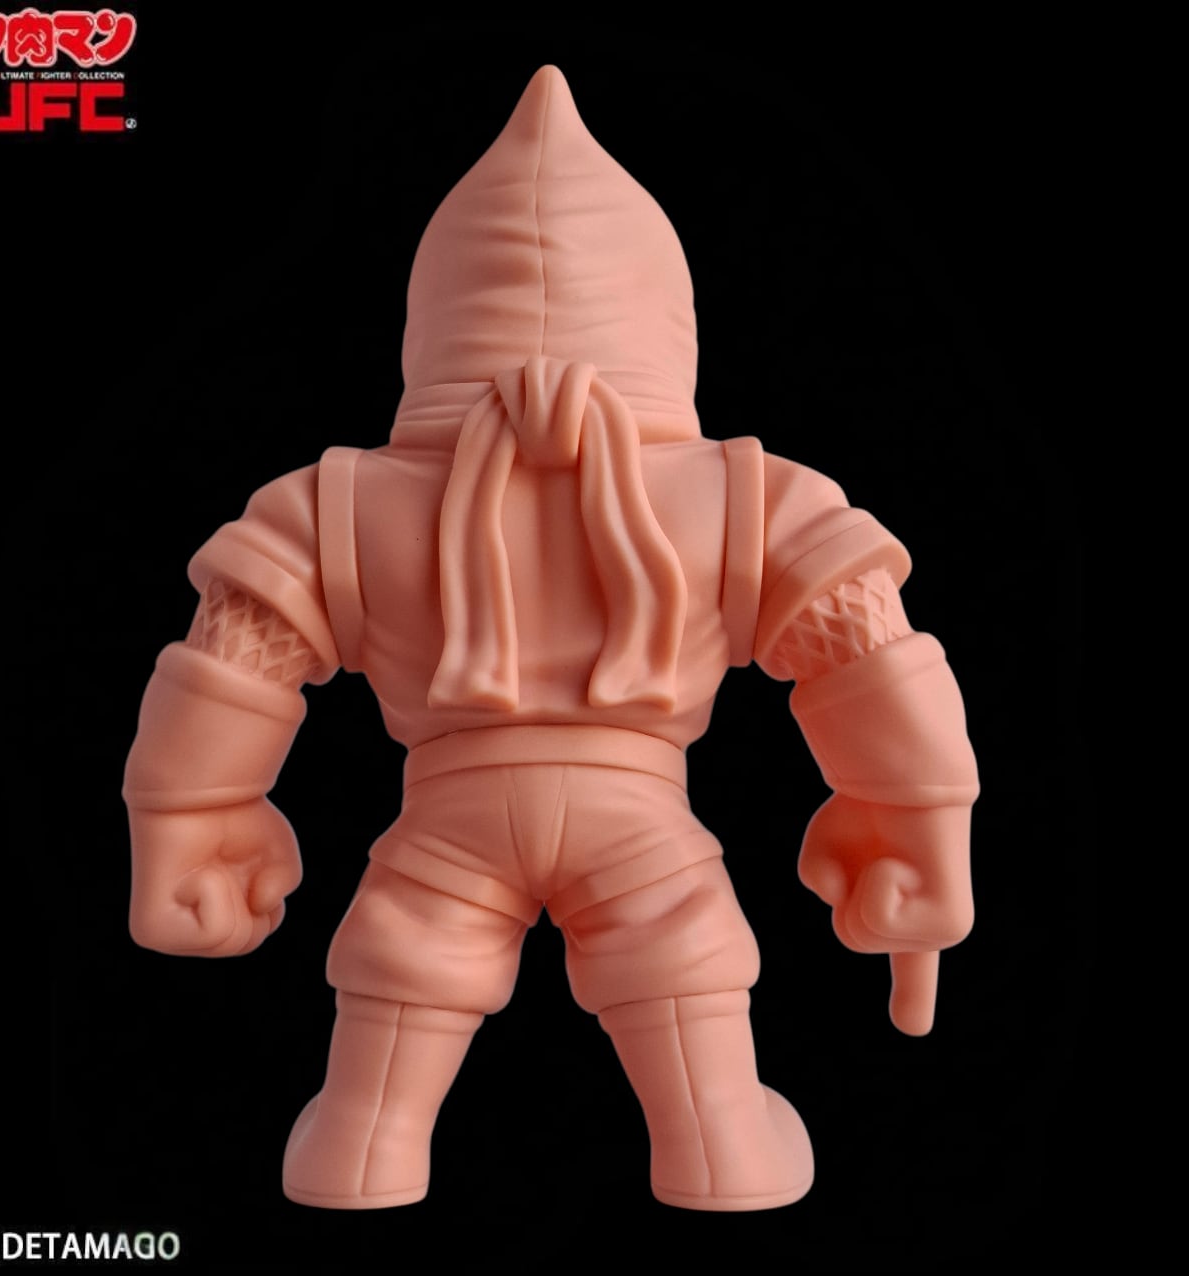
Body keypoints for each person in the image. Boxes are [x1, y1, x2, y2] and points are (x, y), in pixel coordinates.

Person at [124, 66, 977, 1212]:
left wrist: (189, 821)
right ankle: (723, 1152)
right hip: (639, 816)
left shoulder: (333, 503)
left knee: (407, 966)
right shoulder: (749, 495)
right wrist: (915, 820)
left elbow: (234, 650)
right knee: (679, 961)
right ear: (665, 323)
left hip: (448, 816)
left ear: (429, 325)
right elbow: (862, 644)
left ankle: (357, 1153)